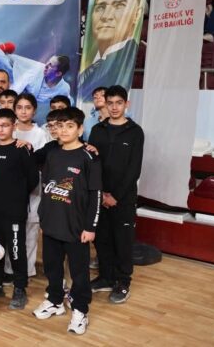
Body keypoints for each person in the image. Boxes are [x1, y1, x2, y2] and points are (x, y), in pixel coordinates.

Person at [33, 107, 101, 336]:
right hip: (52, 223)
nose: (63, 130)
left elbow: (96, 195)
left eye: (69, 126)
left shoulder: (89, 157)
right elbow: (46, 188)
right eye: (60, 126)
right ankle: (55, 300)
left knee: (79, 272)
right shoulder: (52, 153)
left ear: (80, 129)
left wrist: (91, 227)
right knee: (52, 266)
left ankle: (80, 310)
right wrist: (43, 217)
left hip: (77, 227)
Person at [87, 85, 144, 304]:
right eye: (110, 103)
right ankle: (106, 277)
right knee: (102, 239)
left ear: (126, 104)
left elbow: (134, 169)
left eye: (119, 103)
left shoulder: (135, 132)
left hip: (123, 199)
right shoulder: (97, 130)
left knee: (122, 241)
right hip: (100, 196)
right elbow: (93, 163)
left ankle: (122, 281)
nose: (114, 107)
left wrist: (115, 196)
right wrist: (100, 193)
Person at [0, 108, 39, 310]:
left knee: (16, 249)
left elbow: (33, 179)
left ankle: (20, 287)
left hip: (14, 210)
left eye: (5, 125)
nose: (1, 129)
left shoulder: (21, 149)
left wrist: (17, 194)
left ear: (14, 126)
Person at [77, 0, 144, 104]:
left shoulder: (140, 58)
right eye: (100, 8)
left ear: (137, 14)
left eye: (119, 6)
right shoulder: (83, 63)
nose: (106, 16)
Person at [14, 93, 49, 279]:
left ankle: (27, 270)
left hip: (33, 187)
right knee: (12, 230)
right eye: (19, 107)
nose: (23, 111)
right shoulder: (9, 129)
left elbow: (44, 161)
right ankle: (10, 270)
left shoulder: (40, 133)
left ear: (34, 110)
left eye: (27, 108)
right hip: (11, 187)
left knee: (30, 229)